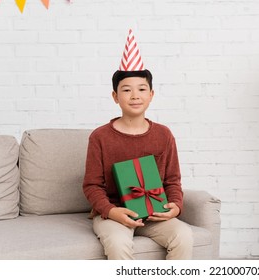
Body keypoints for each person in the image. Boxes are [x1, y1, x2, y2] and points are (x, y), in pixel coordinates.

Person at [82, 29, 193, 260]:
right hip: (114, 214)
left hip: (154, 212)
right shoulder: (100, 137)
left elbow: (173, 181)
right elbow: (92, 185)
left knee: (183, 235)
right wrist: (111, 211)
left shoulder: (163, 134)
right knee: (119, 242)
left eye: (142, 89)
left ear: (151, 94)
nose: (135, 95)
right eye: (126, 90)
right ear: (115, 96)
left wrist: (176, 206)